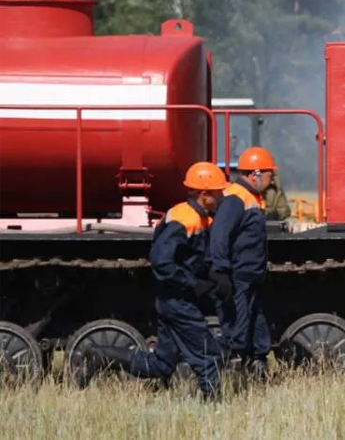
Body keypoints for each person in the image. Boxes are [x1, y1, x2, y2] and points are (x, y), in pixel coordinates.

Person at [76, 161, 232, 399]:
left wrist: (214, 278)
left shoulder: (198, 218)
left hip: (175, 299)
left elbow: (193, 259)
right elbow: (162, 261)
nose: (222, 196)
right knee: (208, 354)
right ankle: (216, 407)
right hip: (177, 301)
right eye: (218, 192)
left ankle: (101, 355)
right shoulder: (184, 219)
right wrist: (194, 284)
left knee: (161, 364)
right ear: (204, 194)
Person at [208, 146, 276, 382]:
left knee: (255, 326)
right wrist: (220, 270)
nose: (272, 180)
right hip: (238, 277)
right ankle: (216, 376)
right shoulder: (236, 198)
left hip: (250, 277)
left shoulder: (252, 198)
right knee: (236, 330)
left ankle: (255, 370)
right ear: (255, 174)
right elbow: (219, 235)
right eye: (269, 174)